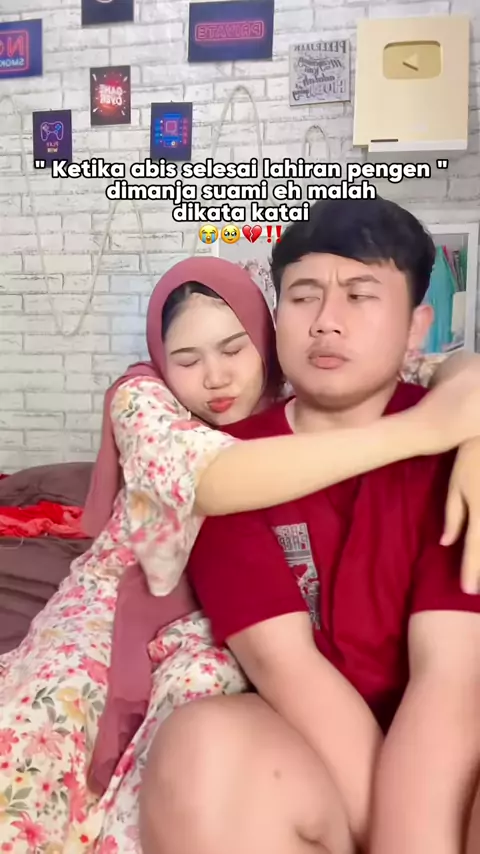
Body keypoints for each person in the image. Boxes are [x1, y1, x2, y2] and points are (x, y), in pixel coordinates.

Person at [0, 254, 476, 853]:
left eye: (233, 349)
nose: (215, 378)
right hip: (126, 589)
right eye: (187, 360)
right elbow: (215, 481)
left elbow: (444, 370)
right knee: (53, 718)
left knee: (212, 698)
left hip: (207, 606)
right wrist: (432, 429)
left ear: (266, 339)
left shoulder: (308, 378)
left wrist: (471, 420)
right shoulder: (141, 398)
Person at [137, 200, 480, 854]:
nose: (326, 320)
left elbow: (453, 678)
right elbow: (288, 668)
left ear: (416, 327)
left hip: (457, 738)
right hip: (311, 744)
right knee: (201, 751)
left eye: (360, 295)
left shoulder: (465, 450)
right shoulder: (230, 465)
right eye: (303, 296)